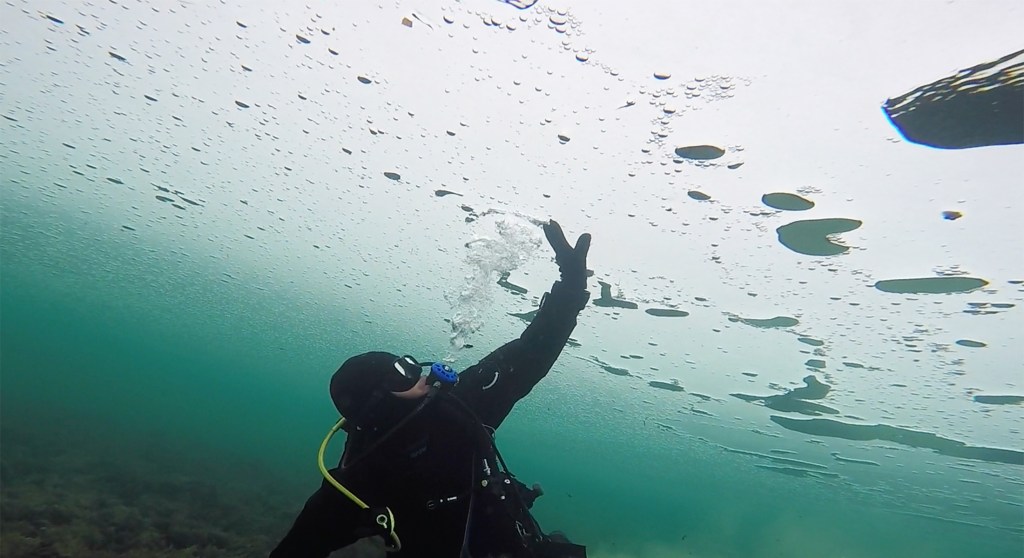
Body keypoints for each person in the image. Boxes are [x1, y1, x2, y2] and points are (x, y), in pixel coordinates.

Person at [271, 220, 592, 558]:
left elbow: (531, 352)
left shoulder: (460, 406)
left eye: (410, 364)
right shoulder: (357, 480)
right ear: (375, 405)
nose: (420, 375)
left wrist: (571, 287)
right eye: (401, 375)